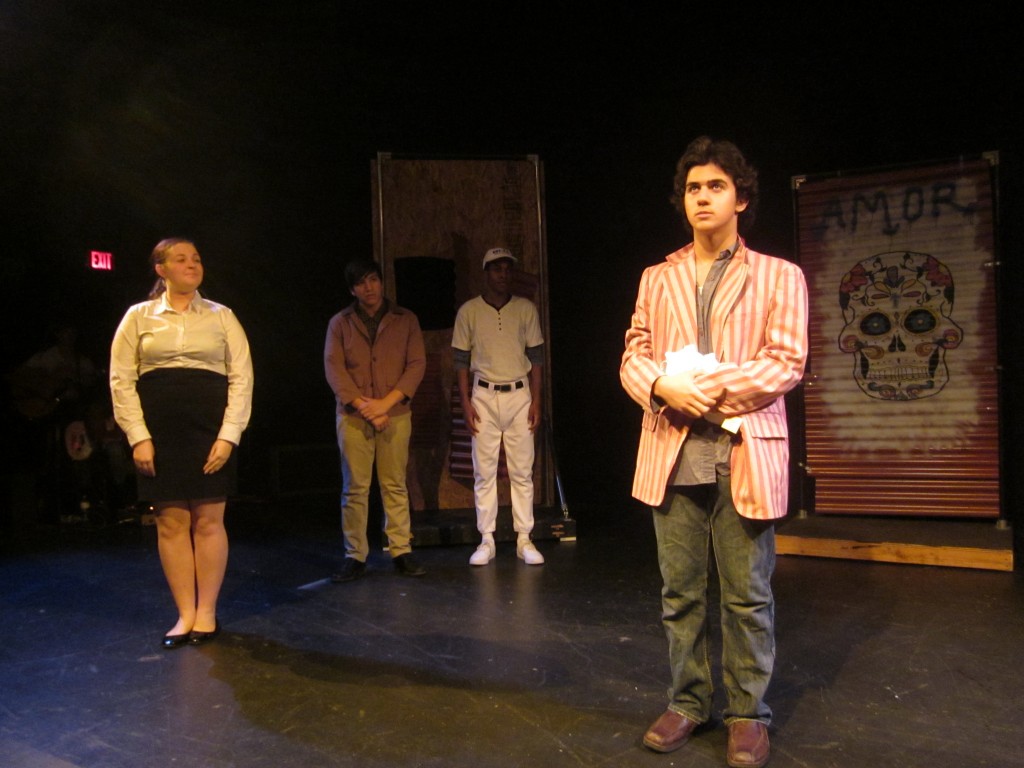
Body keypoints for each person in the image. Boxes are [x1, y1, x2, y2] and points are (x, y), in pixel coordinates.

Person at [620, 137, 808, 767]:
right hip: (673, 452)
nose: (703, 196)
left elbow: (785, 361)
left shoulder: (780, 276)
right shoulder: (658, 277)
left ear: (741, 199)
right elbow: (633, 353)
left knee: (747, 594)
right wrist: (658, 384)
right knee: (680, 593)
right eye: (694, 187)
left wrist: (702, 393)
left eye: (716, 186)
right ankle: (687, 701)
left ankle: (748, 713)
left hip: (745, 449)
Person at [110, 237, 253, 650]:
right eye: (181, 259)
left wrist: (229, 435)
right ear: (161, 269)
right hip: (161, 432)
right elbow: (121, 380)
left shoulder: (222, 316)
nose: (192, 264)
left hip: (210, 427)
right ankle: (185, 613)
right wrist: (138, 437)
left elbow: (242, 378)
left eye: (197, 258)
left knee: (208, 520)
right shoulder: (138, 317)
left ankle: (206, 612)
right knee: (172, 523)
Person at [324, 258, 427, 581]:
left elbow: (416, 365)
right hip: (353, 417)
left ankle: (400, 550)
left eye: (373, 280)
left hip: (394, 413)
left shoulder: (405, 319)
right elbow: (334, 368)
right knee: (355, 487)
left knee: (395, 484)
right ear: (352, 289)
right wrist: (363, 405)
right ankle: (355, 555)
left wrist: (385, 404)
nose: (368, 288)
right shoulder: (340, 323)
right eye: (361, 283)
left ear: (382, 282)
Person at [452, 247, 545, 566]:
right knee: (484, 470)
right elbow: (461, 360)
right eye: (496, 269)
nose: (503, 274)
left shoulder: (525, 309)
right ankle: (486, 538)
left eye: (507, 269)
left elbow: (536, 357)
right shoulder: (469, 311)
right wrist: (465, 402)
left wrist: (537, 400)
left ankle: (524, 538)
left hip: (519, 394)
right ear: (486, 273)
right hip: (484, 395)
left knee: (522, 470)